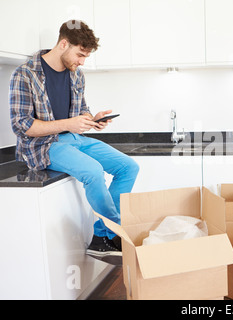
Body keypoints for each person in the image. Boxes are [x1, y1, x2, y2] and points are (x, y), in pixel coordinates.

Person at [9, 20, 139, 263]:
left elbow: (82, 112)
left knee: (129, 167)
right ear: (63, 44)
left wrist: (94, 120)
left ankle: (101, 237)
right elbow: (21, 125)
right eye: (80, 54)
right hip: (44, 146)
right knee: (93, 171)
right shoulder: (25, 74)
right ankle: (116, 232)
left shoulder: (76, 75)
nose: (81, 61)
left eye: (85, 56)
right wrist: (69, 124)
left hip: (75, 139)